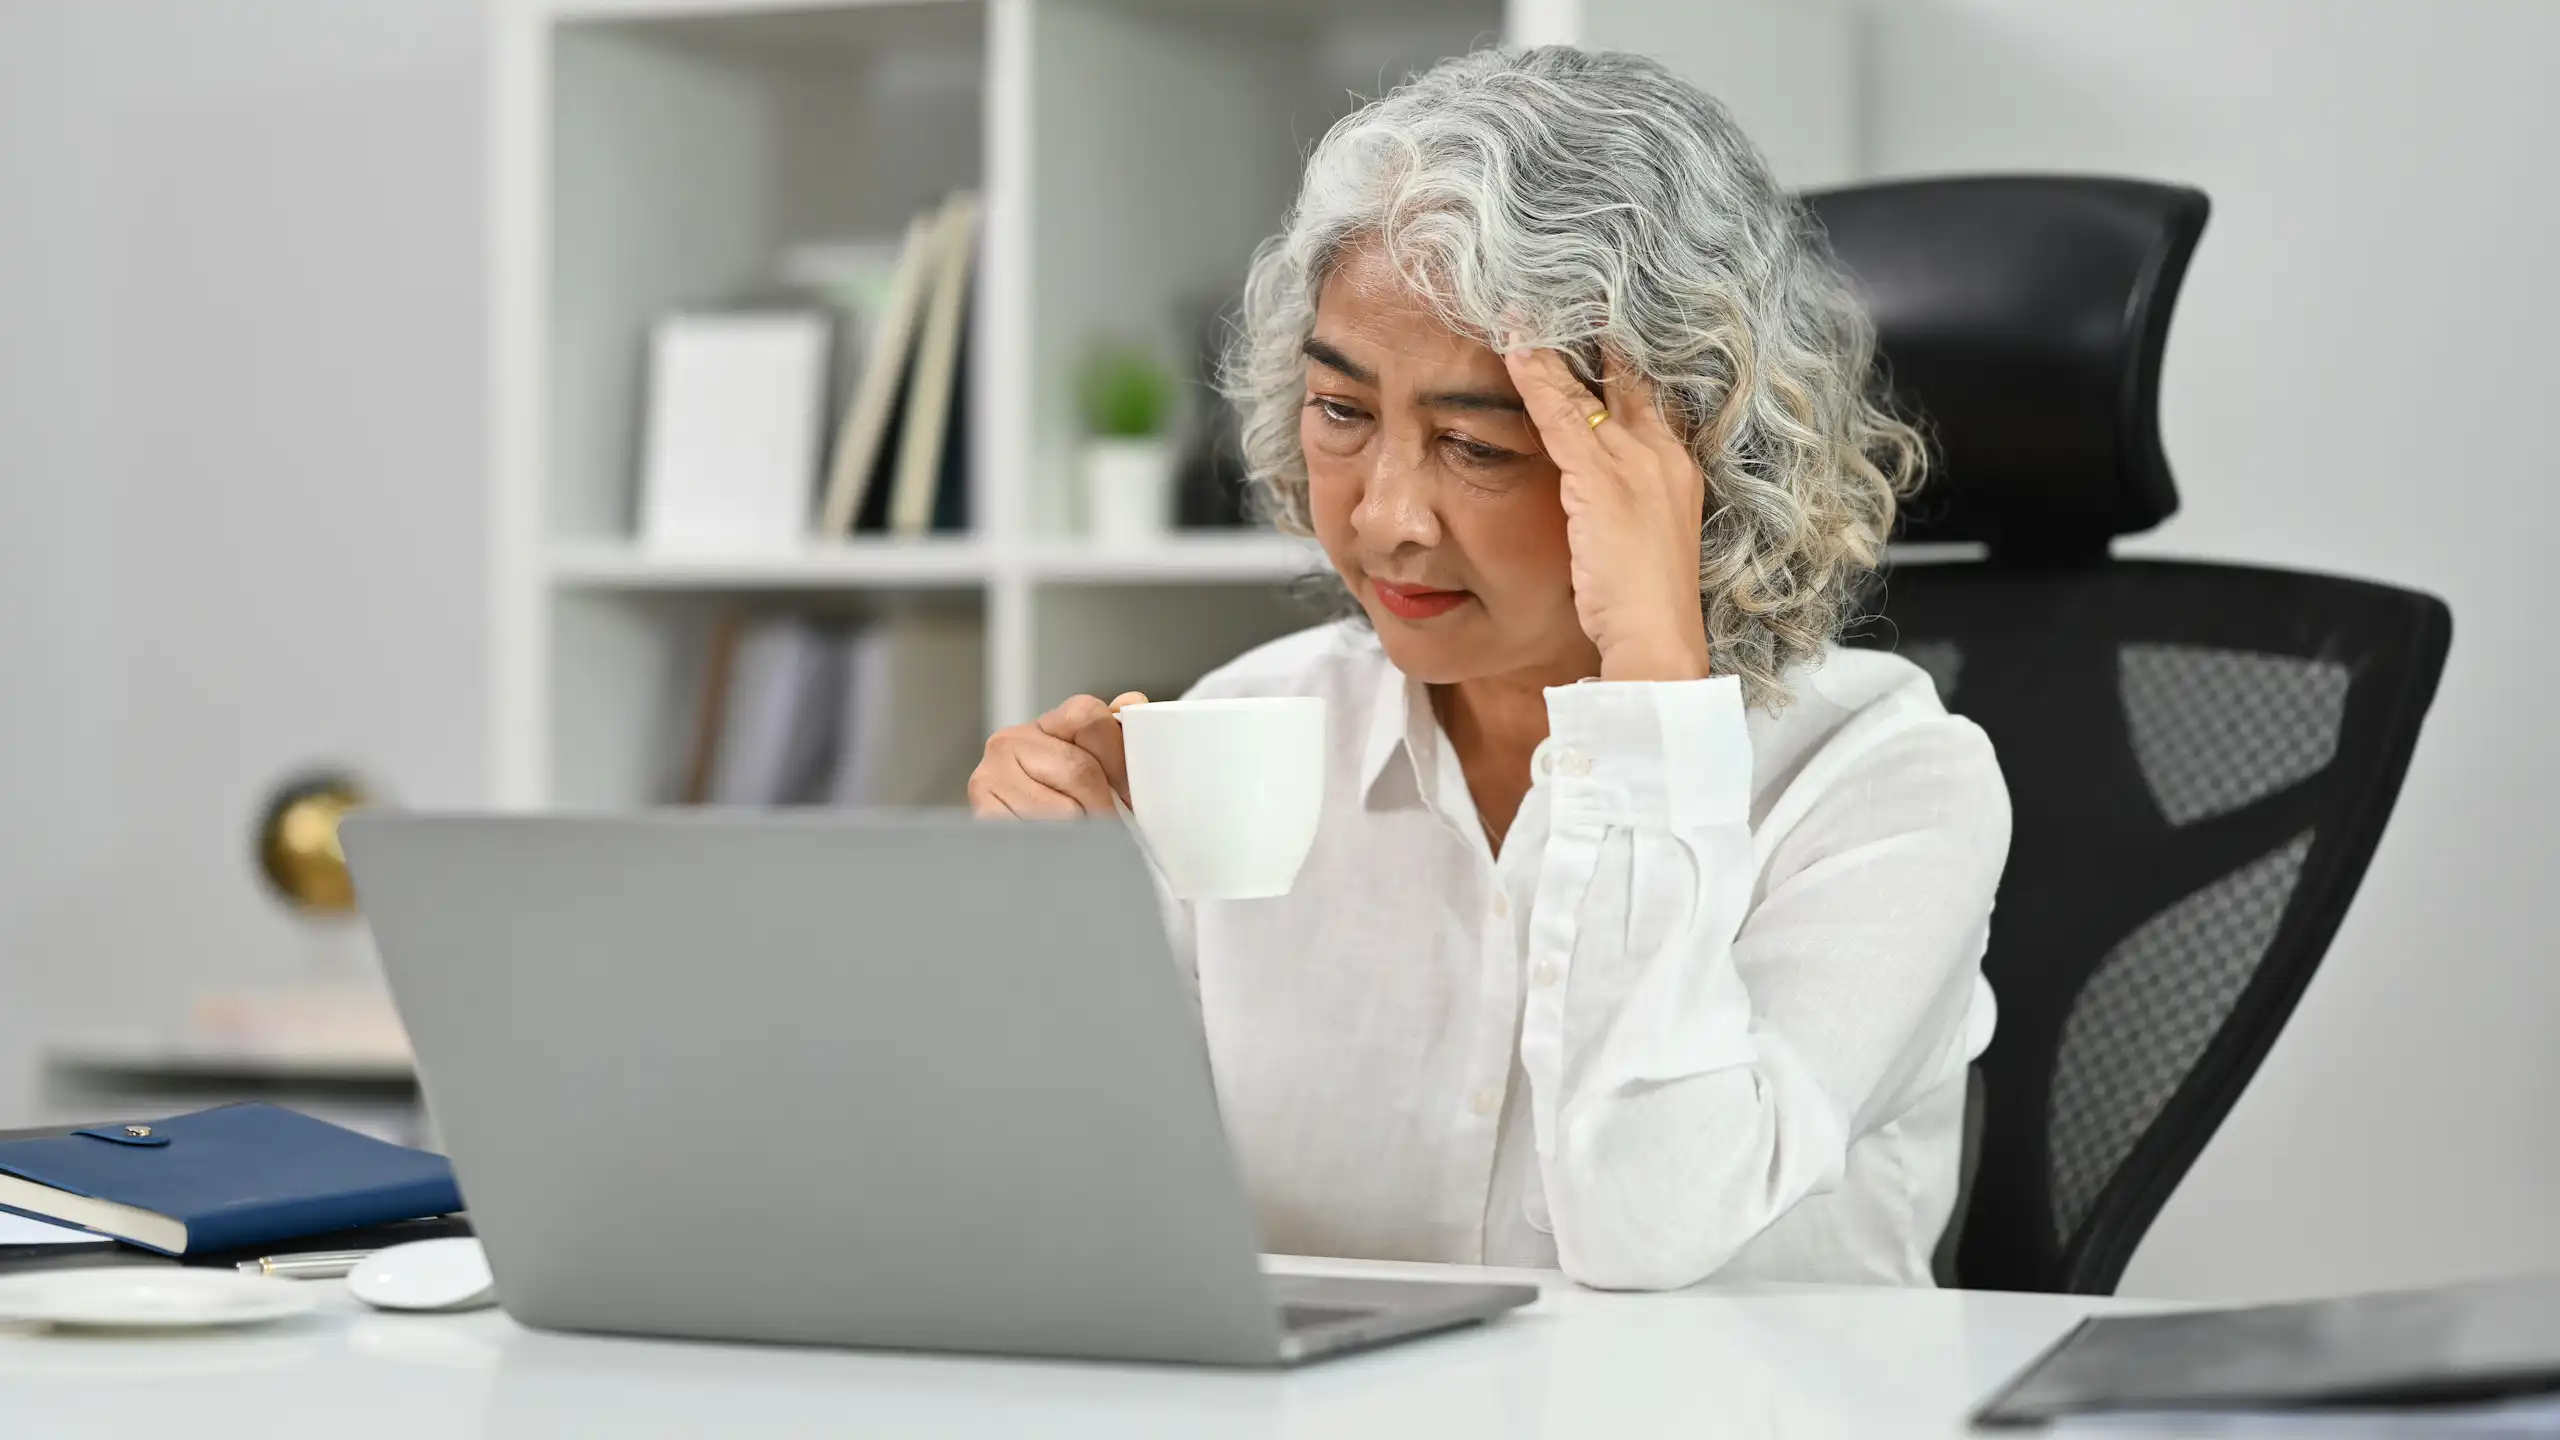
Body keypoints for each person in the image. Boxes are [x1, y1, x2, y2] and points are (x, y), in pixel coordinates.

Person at [969, 47, 2009, 1291]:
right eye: (1342, 414)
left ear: (1683, 460)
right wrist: (1046, 928)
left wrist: (1651, 687)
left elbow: (1651, 1228)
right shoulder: (1244, 731)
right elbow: (1090, 1237)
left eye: (1473, 444)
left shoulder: (1886, 781)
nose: (1386, 517)